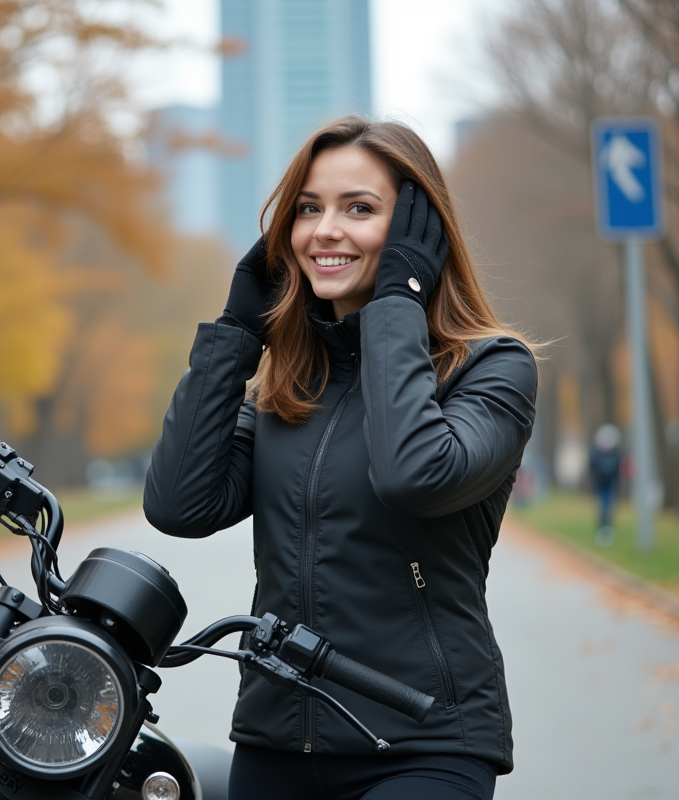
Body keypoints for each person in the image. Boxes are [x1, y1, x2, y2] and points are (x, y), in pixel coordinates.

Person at [144, 115, 539, 800]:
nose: (325, 230)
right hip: (275, 740)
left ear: (418, 232)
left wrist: (398, 303)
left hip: (424, 744)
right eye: (308, 209)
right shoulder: (288, 384)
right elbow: (181, 505)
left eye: (359, 208)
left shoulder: (491, 368)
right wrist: (236, 333)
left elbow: (415, 475)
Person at [588, 424, 623, 547]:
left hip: (610, 484)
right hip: (601, 484)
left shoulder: (616, 453)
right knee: (603, 507)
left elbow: (618, 469)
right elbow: (592, 467)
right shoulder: (597, 453)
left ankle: (607, 529)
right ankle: (602, 528)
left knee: (608, 507)